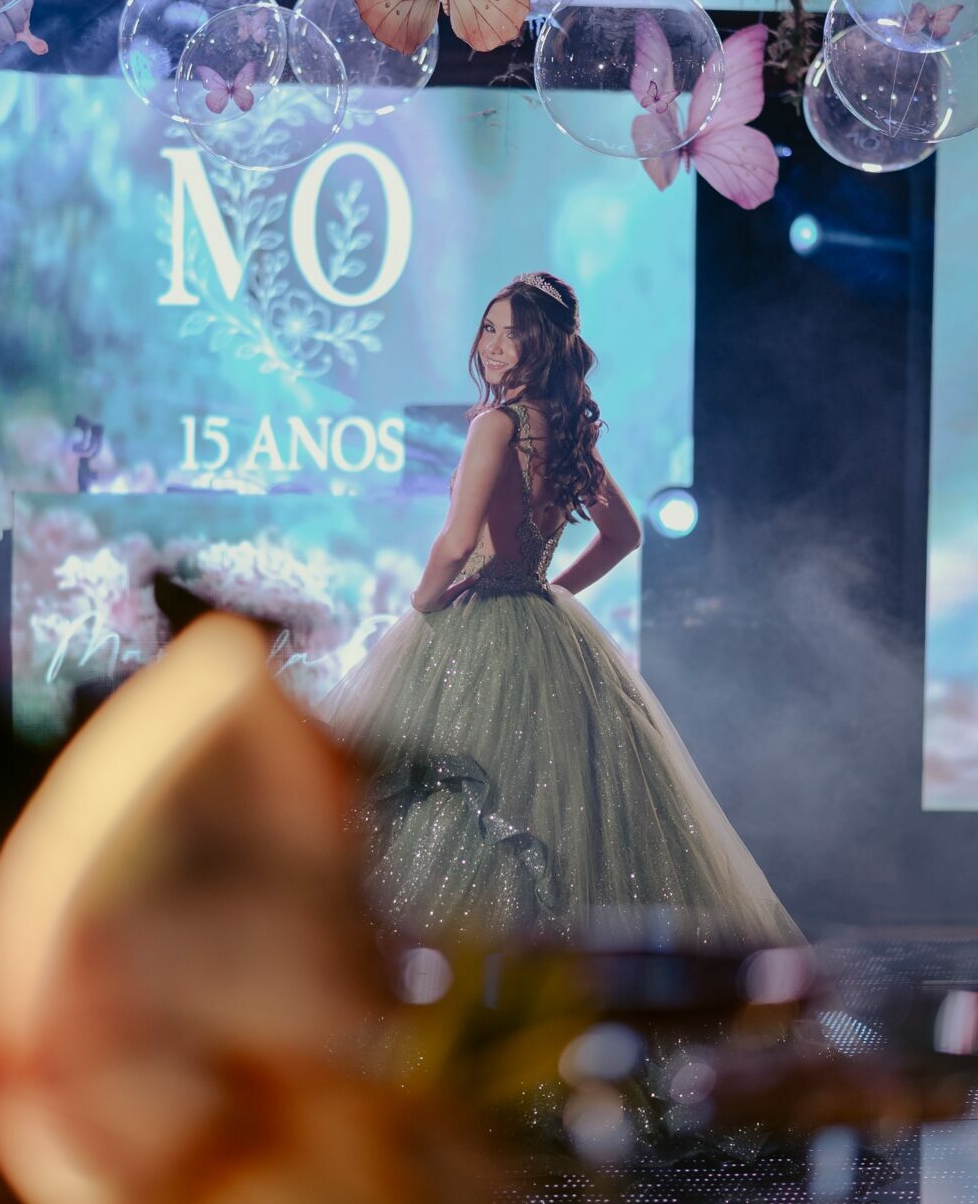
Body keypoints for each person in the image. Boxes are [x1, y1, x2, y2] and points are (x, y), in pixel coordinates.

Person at [322, 272, 802, 950]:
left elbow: (457, 542)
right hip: (543, 624)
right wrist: (556, 591)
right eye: (488, 328)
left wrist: (424, 599)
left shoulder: (496, 424)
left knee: (460, 798)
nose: (492, 345)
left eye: (511, 334)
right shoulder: (568, 429)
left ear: (543, 344)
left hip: (476, 624)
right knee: (560, 803)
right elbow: (624, 535)